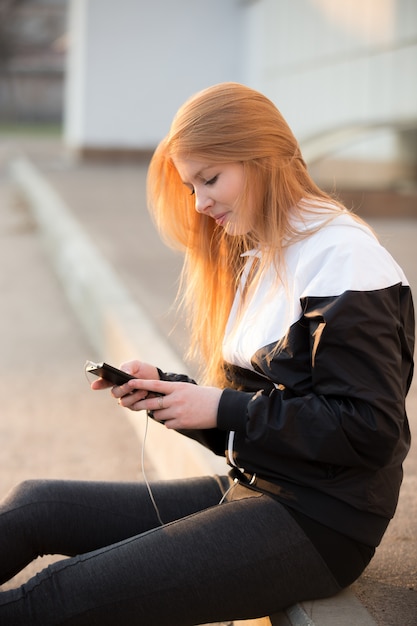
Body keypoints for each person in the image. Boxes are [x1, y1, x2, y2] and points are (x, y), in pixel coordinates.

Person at [0, 82, 414, 625]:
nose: (199, 203)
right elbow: (264, 421)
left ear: (262, 157)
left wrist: (221, 407)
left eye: (210, 179)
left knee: (54, 598)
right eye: (192, 185)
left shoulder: (345, 258)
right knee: (37, 506)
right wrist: (175, 394)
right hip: (256, 489)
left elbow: (370, 430)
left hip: (319, 523)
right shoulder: (263, 252)